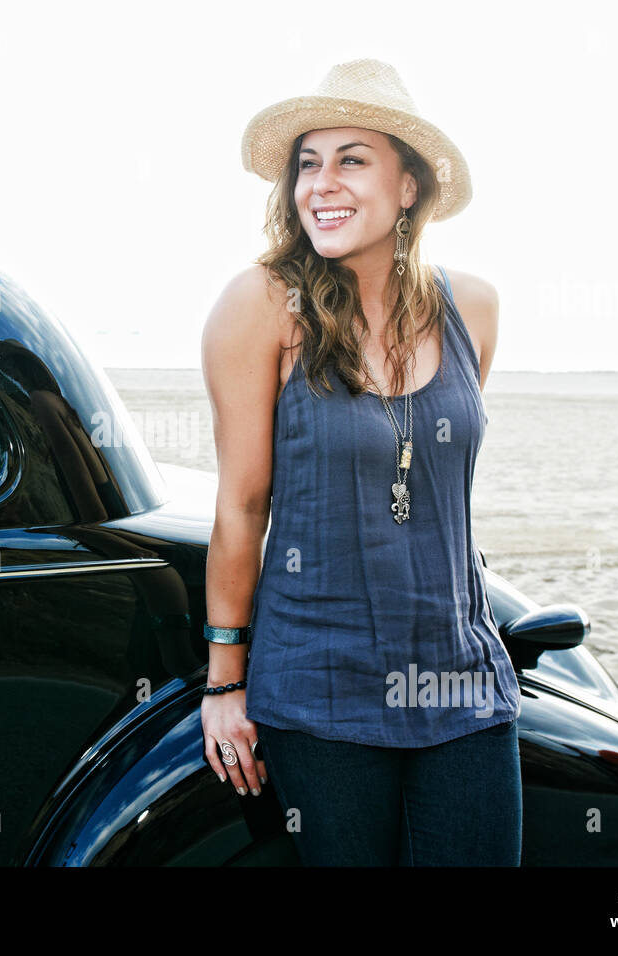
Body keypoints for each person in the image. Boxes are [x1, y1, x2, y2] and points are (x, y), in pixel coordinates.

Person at [199, 58, 522, 865]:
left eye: (352, 159)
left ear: (409, 186)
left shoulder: (472, 308)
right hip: (321, 686)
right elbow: (242, 506)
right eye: (308, 163)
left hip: (462, 683)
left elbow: (431, 485)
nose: (322, 183)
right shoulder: (262, 305)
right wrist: (224, 682)